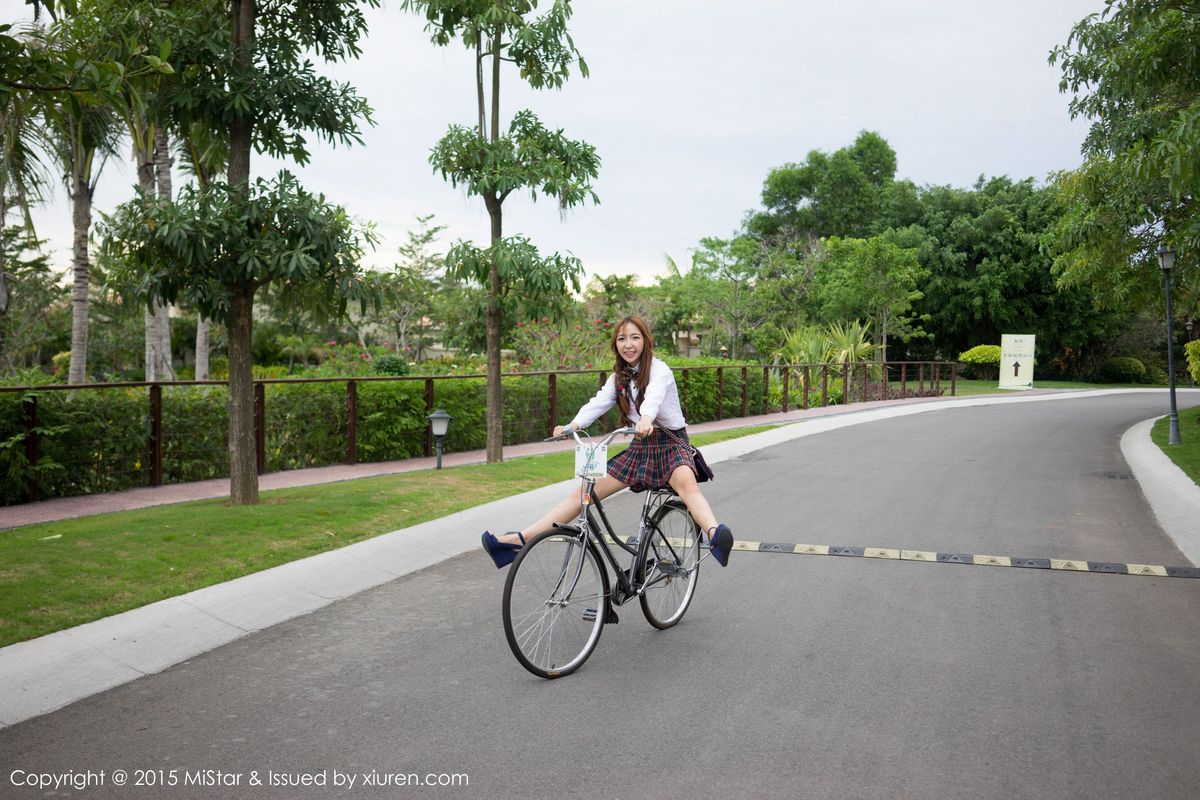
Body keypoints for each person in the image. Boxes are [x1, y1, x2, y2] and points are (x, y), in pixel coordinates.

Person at [482, 315, 734, 569]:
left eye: (635, 337)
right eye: (622, 339)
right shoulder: (619, 379)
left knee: (687, 487)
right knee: (584, 493)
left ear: (646, 341)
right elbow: (599, 402)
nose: (628, 344)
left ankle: (716, 535)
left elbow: (654, 397)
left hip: (670, 444)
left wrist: (646, 418)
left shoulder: (660, 370)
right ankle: (519, 541)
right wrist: (573, 425)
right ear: (616, 344)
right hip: (640, 446)